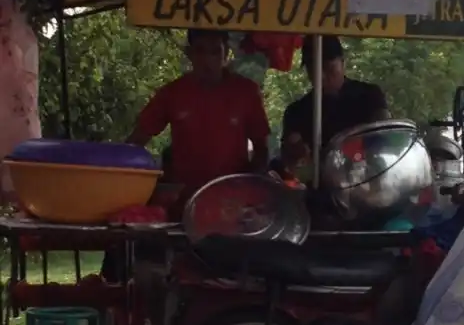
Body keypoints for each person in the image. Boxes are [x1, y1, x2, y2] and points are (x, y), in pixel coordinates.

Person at [126, 29, 270, 198]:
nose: (207, 60)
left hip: (231, 198)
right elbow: (136, 142)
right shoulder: (172, 93)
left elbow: (262, 149)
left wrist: (248, 186)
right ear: (189, 53)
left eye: (215, 51)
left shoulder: (246, 92)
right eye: (200, 51)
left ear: (226, 55)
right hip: (184, 198)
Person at [279, 35, 390, 176]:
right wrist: (296, 153)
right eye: (313, 69)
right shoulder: (296, 111)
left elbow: (385, 135)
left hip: (364, 181)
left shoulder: (369, 96)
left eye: (328, 68)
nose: (321, 76)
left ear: (343, 63)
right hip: (319, 188)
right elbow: (290, 161)